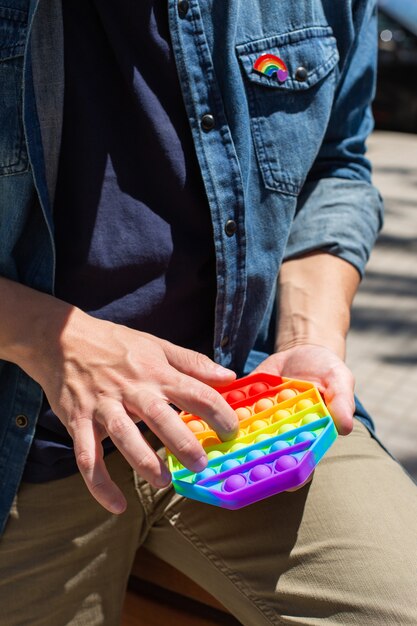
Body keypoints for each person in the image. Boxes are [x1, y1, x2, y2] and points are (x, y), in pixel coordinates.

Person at [0, 0, 416, 624]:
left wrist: (309, 341)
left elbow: (334, 168)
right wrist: (46, 338)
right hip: (30, 440)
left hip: (244, 402)